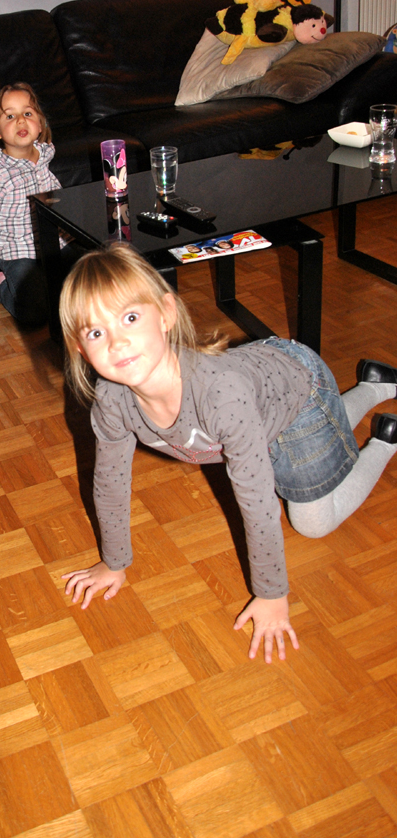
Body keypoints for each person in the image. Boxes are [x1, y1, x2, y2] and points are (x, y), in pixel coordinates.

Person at [59, 244, 397, 662]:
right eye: (96, 332)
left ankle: (385, 440)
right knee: (312, 440)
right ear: (80, 349)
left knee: (312, 523)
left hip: (301, 393)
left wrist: (271, 594)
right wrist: (114, 563)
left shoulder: (220, 396)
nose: (117, 342)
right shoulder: (113, 400)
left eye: (130, 318)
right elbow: (110, 483)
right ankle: (375, 383)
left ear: (165, 314)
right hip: (259, 402)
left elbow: (257, 503)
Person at [0, 83, 59, 326]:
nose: (21, 120)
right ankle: (3, 285)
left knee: (87, 285)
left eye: (27, 113)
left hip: (53, 244)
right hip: (18, 253)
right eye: (10, 116)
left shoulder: (45, 156)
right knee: (34, 312)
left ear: (40, 124)